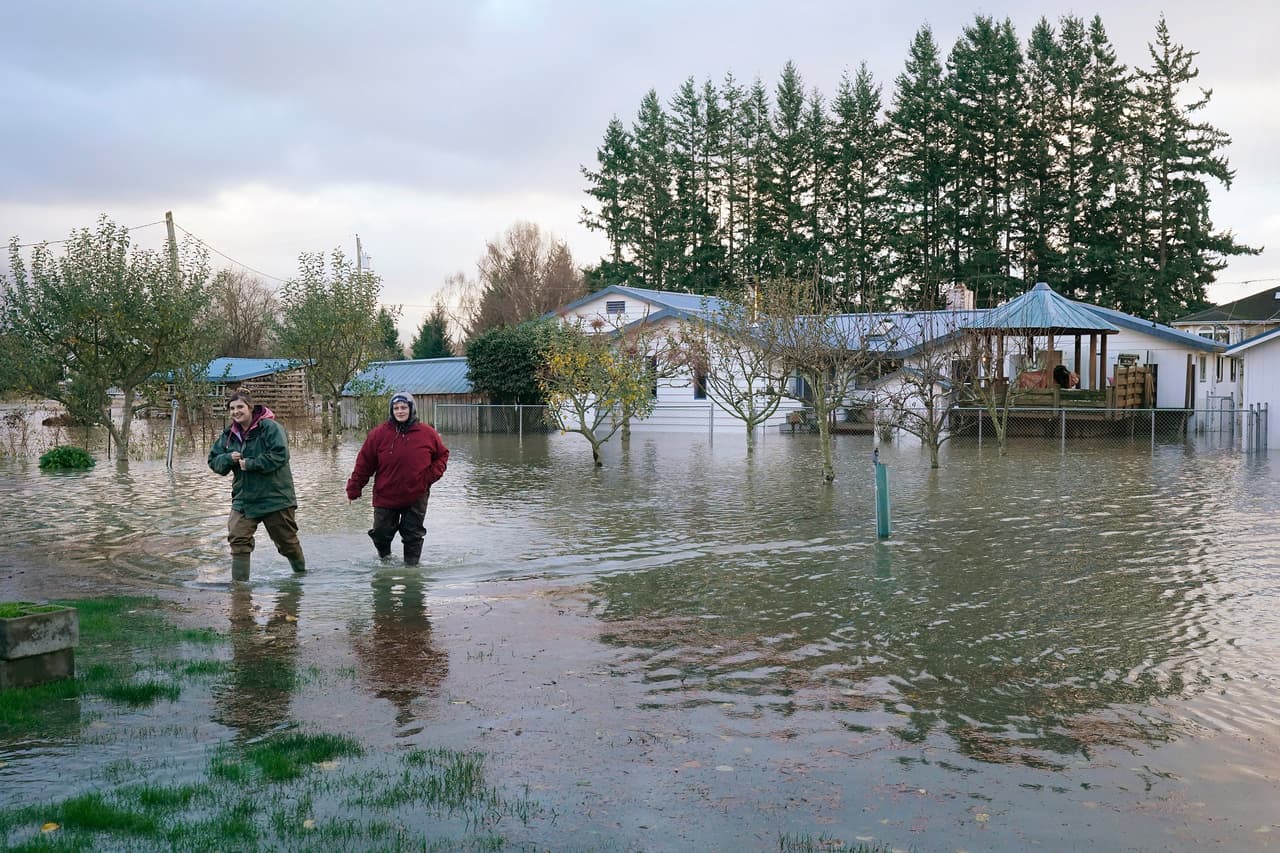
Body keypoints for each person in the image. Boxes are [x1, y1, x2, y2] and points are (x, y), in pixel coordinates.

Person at [208, 393, 306, 581]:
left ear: (250, 408)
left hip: (275, 497)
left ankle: (301, 578)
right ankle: (239, 590)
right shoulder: (229, 435)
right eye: (232, 408)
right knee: (238, 539)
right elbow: (213, 461)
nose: (236, 412)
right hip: (244, 499)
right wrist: (228, 458)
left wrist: (251, 463)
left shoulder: (270, 428)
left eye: (240, 407)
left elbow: (280, 455)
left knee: (287, 543)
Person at [345, 391, 449, 566]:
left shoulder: (427, 433)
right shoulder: (378, 434)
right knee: (380, 533)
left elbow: (442, 456)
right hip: (386, 494)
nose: (400, 411)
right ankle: (385, 561)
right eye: (396, 408)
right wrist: (354, 489)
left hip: (416, 494)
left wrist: (428, 477)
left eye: (403, 407)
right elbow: (364, 464)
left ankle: (411, 570)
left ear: (411, 409)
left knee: (413, 535)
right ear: (391, 411)